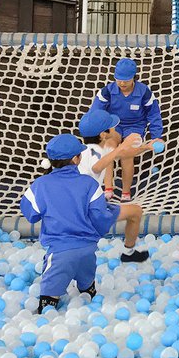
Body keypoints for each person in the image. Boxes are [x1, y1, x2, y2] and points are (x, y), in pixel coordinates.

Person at [20, 134, 120, 313]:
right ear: (76, 158)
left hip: (60, 254)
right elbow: (100, 218)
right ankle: (87, 292)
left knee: (48, 305)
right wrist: (114, 212)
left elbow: (31, 214)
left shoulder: (41, 184)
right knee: (89, 295)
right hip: (88, 252)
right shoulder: (89, 184)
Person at [76, 109, 154, 262]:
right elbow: (96, 167)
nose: (115, 130)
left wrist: (146, 147)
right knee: (135, 213)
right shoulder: (92, 153)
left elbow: (122, 154)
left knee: (135, 212)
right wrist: (120, 147)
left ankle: (129, 253)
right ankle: (127, 252)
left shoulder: (89, 150)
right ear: (103, 135)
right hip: (88, 211)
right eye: (111, 128)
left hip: (85, 206)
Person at [91, 58, 164, 203]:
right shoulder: (107, 91)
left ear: (133, 78)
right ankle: (108, 189)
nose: (122, 83)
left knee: (128, 153)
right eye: (118, 80)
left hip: (136, 126)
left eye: (126, 80)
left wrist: (157, 136)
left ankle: (125, 192)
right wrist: (96, 130)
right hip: (114, 124)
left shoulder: (144, 92)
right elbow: (95, 111)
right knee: (109, 147)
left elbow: (154, 114)